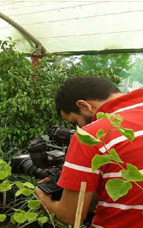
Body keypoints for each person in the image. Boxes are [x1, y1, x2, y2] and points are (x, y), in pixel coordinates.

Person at [35, 76, 143, 227]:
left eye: (75, 122)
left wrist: (43, 200)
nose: (77, 129)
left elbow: (71, 216)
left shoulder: (91, 135)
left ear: (84, 106)